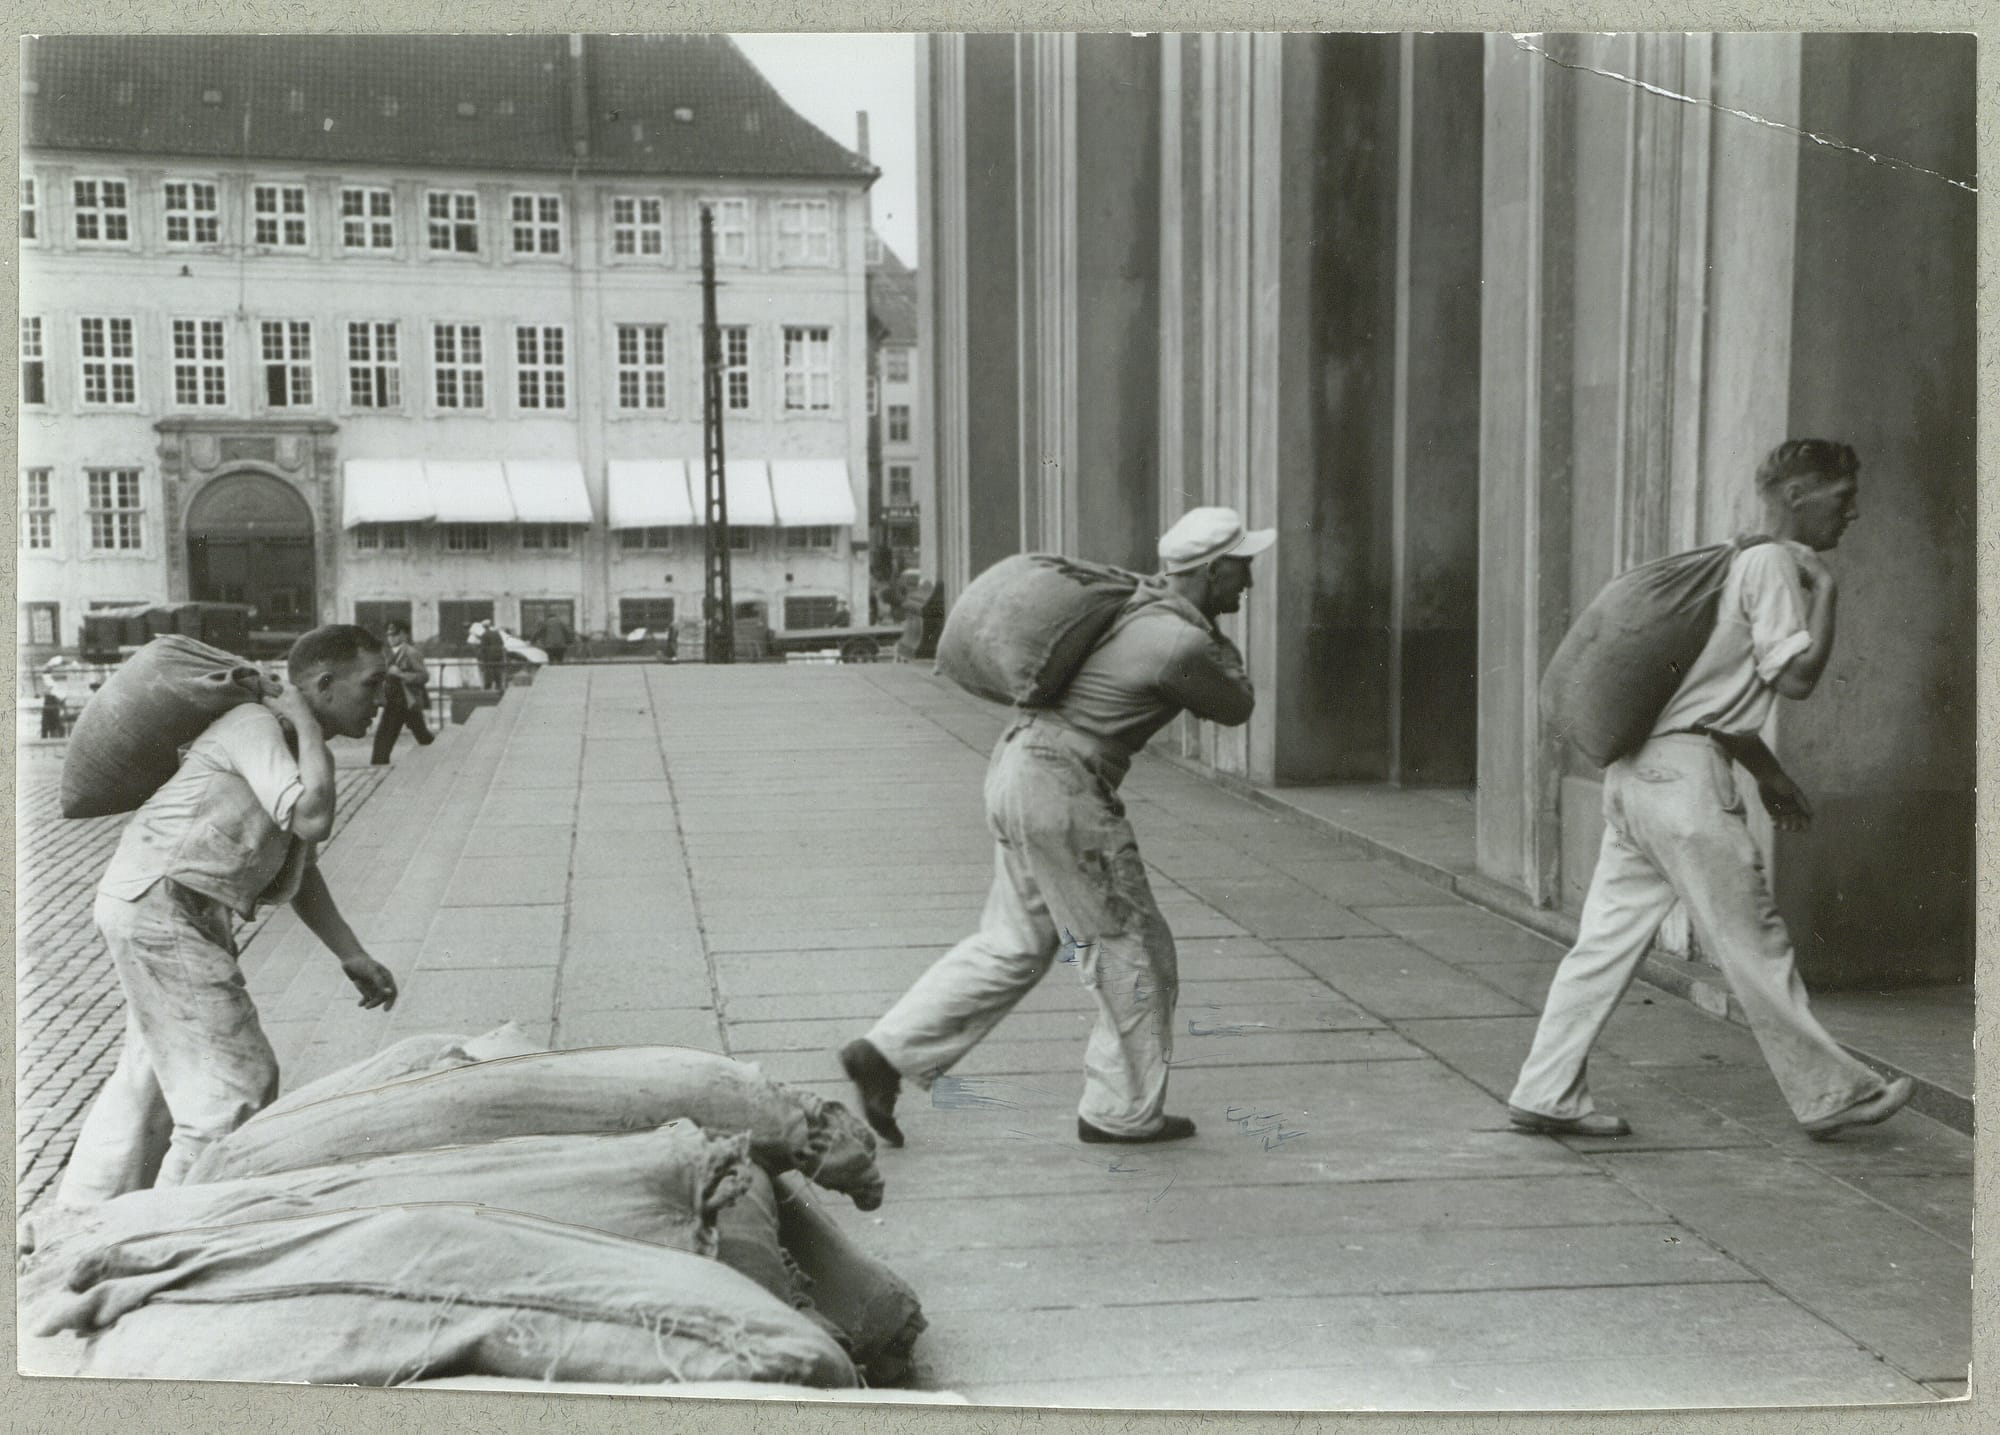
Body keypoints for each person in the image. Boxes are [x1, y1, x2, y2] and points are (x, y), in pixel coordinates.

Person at [1507, 440, 1913, 1142]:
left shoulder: (1733, 557)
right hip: (1685, 784)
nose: (1853, 513)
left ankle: (1546, 1087)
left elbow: (1709, 696)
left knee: (1604, 941)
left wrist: (1770, 775)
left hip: (1637, 776)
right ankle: (1829, 1093)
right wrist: (1830, 595)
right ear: (1796, 496)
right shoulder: (1775, 564)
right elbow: (1796, 678)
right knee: (1753, 938)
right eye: (1842, 498)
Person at [841, 507, 1273, 1147]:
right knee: (1133, 947)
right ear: (1211, 571)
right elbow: (1235, 704)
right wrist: (1208, 631)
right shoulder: (1178, 641)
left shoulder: (1132, 606)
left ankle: (886, 1053)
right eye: (1241, 569)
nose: (1249, 584)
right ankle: (1121, 1112)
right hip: (1064, 792)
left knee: (1013, 942)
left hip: (1019, 767)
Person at [58, 624, 401, 1204]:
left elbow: (300, 865)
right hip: (162, 908)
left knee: (151, 1088)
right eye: (373, 684)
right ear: (322, 684)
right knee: (234, 1088)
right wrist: (312, 729)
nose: (383, 701)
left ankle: (76, 1223)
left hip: (169, 907)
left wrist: (351, 953)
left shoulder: (290, 741)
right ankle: (165, 1236)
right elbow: (313, 818)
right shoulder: (255, 726)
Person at [370, 619, 435, 765]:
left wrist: (401, 675)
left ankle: (379, 764)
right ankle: (379, 763)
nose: (391, 638)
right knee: (419, 734)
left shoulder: (411, 653)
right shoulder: (386, 653)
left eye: (395, 635)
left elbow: (423, 676)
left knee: (387, 734)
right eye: (389, 635)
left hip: (407, 699)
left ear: (404, 635)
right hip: (393, 699)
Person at [474, 620, 506, 692]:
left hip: (489, 657)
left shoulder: (484, 634)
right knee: (497, 670)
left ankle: (488, 686)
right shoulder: (497, 633)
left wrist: (481, 656)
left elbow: (483, 647)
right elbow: (502, 643)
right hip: (498, 655)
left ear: (484, 627)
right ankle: (499, 685)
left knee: (488, 671)